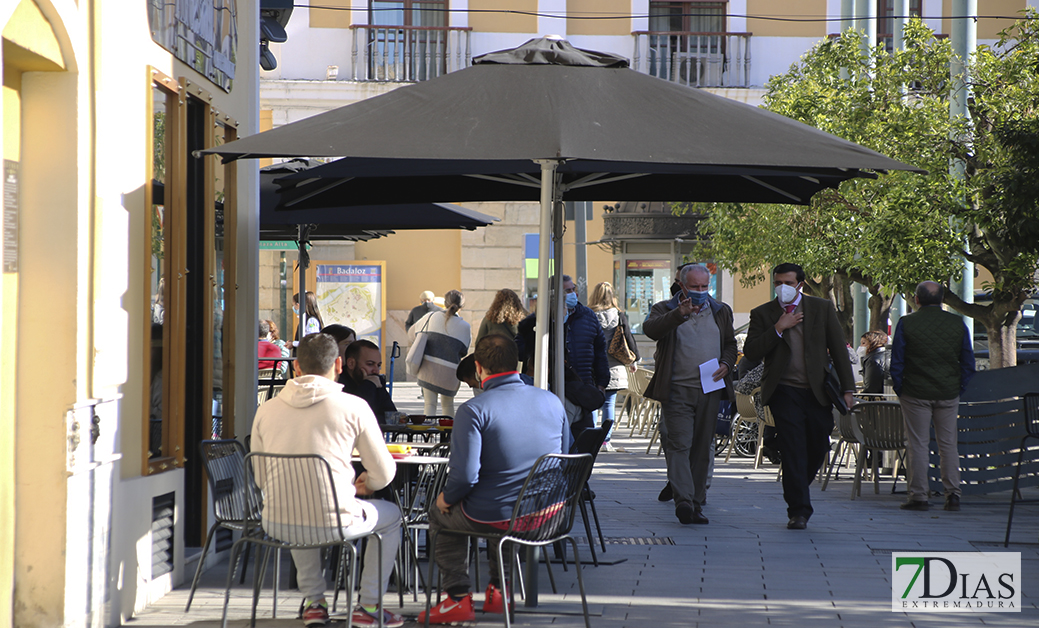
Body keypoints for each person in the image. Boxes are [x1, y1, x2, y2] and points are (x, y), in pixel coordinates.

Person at [251, 333, 403, 627]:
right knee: (392, 516)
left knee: (296, 502)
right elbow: (384, 475)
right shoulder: (354, 407)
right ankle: (369, 605)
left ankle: (314, 602)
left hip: (277, 521)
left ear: (296, 367)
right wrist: (366, 484)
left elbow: (261, 477)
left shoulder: (266, 410)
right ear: (337, 364)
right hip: (337, 520)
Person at [418, 334, 565, 624]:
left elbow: (464, 478)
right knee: (505, 507)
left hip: (499, 516)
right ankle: (499, 591)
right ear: (517, 363)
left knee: (439, 515)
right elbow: (564, 454)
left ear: (478, 367)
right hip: (550, 514)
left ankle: (457, 597)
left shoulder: (474, 410)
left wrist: (445, 499)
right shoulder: (552, 400)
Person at [744, 263, 855, 531]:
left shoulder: (820, 308)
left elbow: (839, 349)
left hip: (817, 391)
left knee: (819, 446)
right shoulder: (763, 313)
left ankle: (795, 485)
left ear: (800, 285)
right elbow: (751, 351)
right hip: (783, 391)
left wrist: (848, 389)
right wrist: (778, 328)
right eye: (777, 282)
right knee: (793, 448)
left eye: (788, 283)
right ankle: (799, 511)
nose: (782, 287)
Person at [643, 264, 737, 525]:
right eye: (694, 287)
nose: (700, 292)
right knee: (679, 444)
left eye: (704, 287)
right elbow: (651, 330)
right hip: (676, 390)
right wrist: (677, 314)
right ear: (682, 286)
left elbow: (730, 344)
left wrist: (727, 364)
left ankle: (696, 502)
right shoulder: (664, 308)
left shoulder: (720, 310)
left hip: (709, 389)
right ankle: (683, 500)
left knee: (702, 448)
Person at [890, 281, 975, 512]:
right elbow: (968, 362)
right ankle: (953, 495)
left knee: (917, 444)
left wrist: (900, 387)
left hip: (914, 392)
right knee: (948, 445)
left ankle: (918, 496)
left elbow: (897, 360)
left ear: (916, 299)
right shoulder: (957, 323)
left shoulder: (906, 323)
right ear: (942, 300)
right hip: (947, 393)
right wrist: (958, 387)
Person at [588, 281, 640, 452]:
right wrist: (634, 360)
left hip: (593, 365)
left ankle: (592, 440)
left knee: (593, 404)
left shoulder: (589, 315)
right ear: (612, 296)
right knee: (609, 404)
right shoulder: (619, 315)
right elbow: (629, 339)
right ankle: (605, 441)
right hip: (614, 366)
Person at [410, 290, 471, 417]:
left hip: (428, 371)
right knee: (448, 405)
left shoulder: (430, 317)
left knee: (429, 404)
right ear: (462, 306)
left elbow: (413, 334)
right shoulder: (465, 326)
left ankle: (428, 435)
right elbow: (464, 351)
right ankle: (447, 436)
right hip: (450, 374)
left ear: (444, 303)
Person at [339, 339, 397, 421]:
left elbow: (391, 416)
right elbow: (353, 414)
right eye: (370, 364)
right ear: (351, 363)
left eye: (378, 365)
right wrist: (368, 385)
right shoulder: (338, 382)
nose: (376, 370)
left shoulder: (376, 380)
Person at [858, 330, 890, 394]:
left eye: (864, 343)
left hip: (878, 400)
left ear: (873, 343)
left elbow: (871, 388)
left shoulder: (872, 361)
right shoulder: (888, 355)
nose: (861, 346)